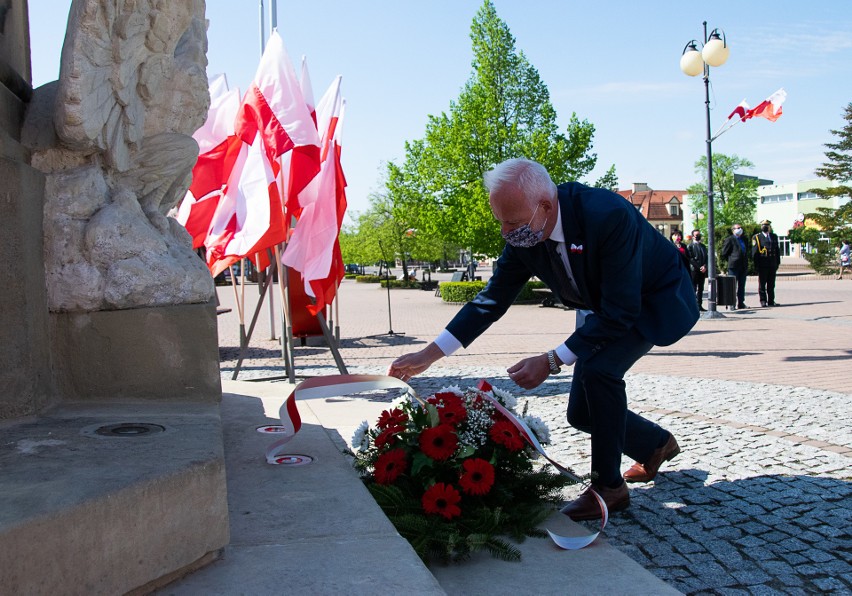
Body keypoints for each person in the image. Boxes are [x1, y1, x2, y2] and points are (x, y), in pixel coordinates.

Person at [387, 158, 699, 521]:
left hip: (652, 302)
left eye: (513, 222)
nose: (506, 232)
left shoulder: (606, 215)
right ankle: (655, 444)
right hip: (608, 309)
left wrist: (552, 360)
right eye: (500, 221)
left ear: (547, 207)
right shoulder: (527, 233)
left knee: (600, 371)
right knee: (581, 412)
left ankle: (609, 488)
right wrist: (429, 354)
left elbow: (621, 313)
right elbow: (491, 300)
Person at [752, 219, 781, 307]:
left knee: (771, 284)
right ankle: (763, 301)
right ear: (761, 227)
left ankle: (771, 301)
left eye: (767, 225)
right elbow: (755, 252)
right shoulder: (757, 237)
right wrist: (756, 265)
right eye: (764, 225)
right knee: (762, 284)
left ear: (769, 227)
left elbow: (777, 250)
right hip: (763, 264)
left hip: (772, 264)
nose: (765, 227)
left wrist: (777, 263)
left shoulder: (774, 236)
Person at [721, 224, 750, 309]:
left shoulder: (744, 239)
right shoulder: (729, 239)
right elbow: (724, 253)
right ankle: (732, 303)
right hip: (733, 266)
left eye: (740, 228)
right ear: (733, 230)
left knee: (742, 285)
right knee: (732, 285)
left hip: (743, 265)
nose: (740, 229)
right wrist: (732, 259)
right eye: (737, 228)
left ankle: (741, 303)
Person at [687, 229, 708, 311]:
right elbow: (691, 259)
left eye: (699, 234)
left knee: (701, 288)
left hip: (703, 270)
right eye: (696, 235)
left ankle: (699, 305)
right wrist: (699, 267)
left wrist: (705, 266)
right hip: (694, 270)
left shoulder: (703, 246)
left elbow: (706, 257)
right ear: (693, 236)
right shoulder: (690, 246)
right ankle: (693, 305)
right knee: (693, 288)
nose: (698, 236)